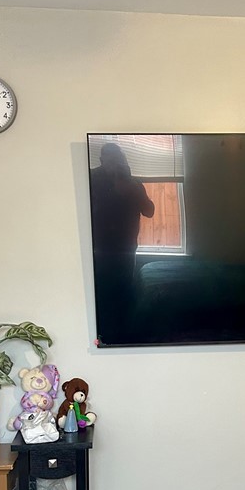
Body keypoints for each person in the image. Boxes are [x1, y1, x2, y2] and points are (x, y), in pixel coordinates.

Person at [90, 143, 155, 344]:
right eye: (112, 160)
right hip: (98, 248)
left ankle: (123, 337)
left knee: (124, 290)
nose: (116, 163)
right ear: (102, 161)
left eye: (120, 159)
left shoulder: (133, 183)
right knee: (101, 293)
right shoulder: (91, 179)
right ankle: (103, 337)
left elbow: (149, 211)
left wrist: (130, 187)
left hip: (126, 247)